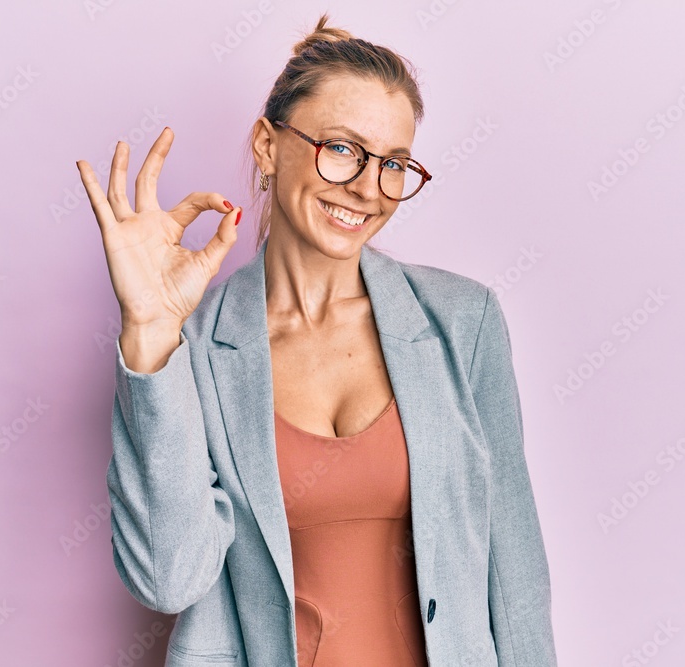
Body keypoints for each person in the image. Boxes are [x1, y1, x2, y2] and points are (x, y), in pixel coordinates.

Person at [77, 13, 557, 667]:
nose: (367, 186)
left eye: (393, 163)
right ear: (268, 146)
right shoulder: (193, 350)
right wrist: (151, 331)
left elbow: (516, 573)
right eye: (341, 148)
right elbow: (169, 579)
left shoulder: (462, 322)